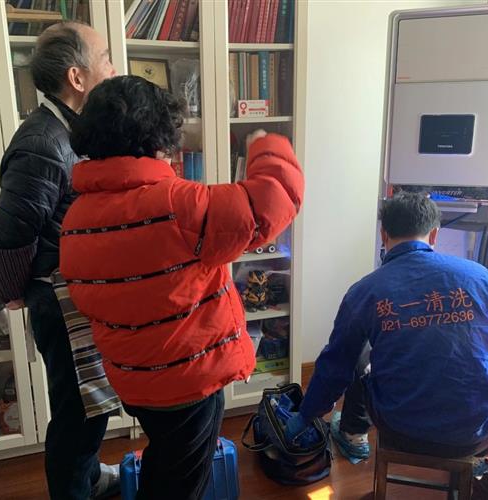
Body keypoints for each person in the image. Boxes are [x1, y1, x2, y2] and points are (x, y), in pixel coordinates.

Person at [59, 75, 304, 500]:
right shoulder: (178, 205)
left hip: (133, 378)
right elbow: (272, 200)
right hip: (187, 382)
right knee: (182, 484)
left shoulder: (77, 217)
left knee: (167, 461)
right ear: (158, 140)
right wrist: (265, 144)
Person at [0, 22, 118, 499]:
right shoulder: (43, 142)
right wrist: (16, 290)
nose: (113, 69)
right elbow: (5, 239)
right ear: (77, 77)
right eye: (105, 58)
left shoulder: (70, 129)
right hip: (59, 299)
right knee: (78, 412)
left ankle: (89, 479)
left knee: (90, 403)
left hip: (75, 292)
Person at [287, 192, 488, 461]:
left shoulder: (365, 291)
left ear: (383, 235)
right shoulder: (480, 277)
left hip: (401, 429)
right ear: (434, 235)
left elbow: (335, 366)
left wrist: (306, 415)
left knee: (359, 355)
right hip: (480, 431)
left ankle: (353, 435)